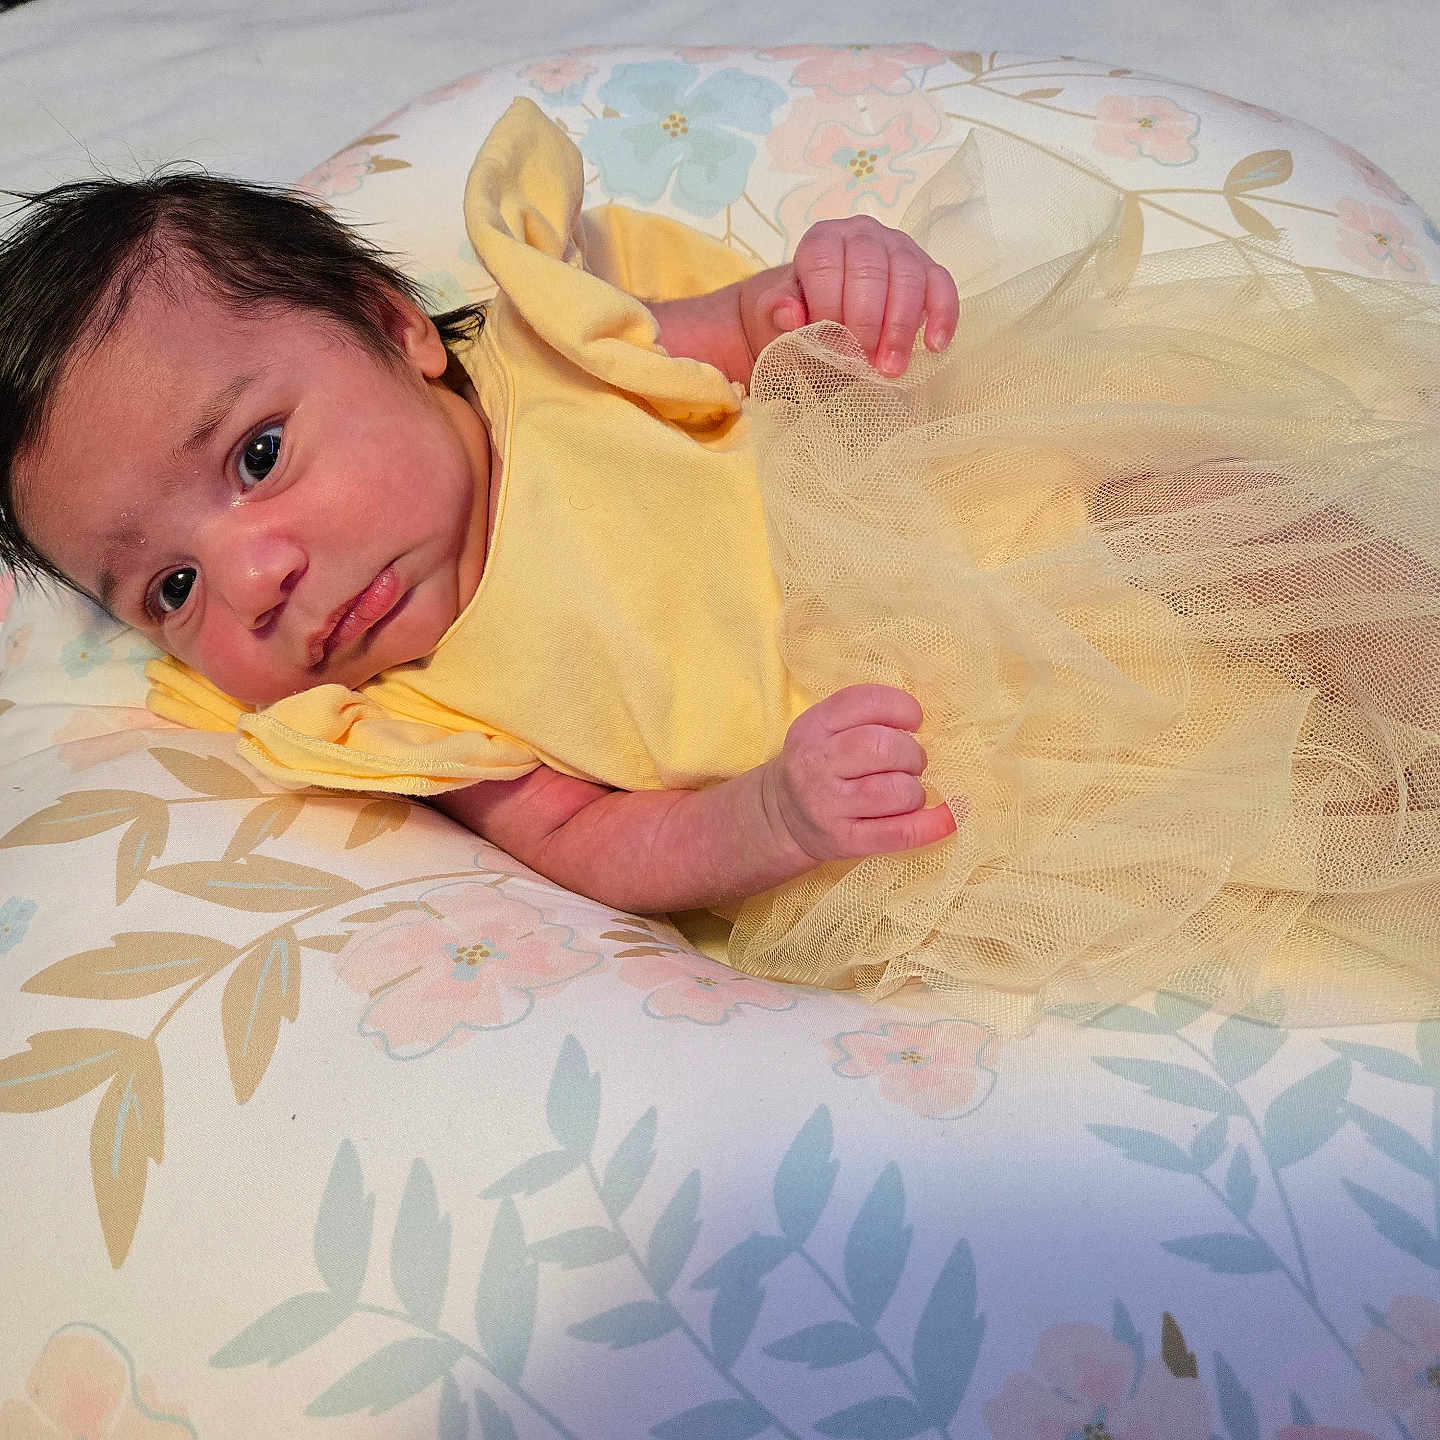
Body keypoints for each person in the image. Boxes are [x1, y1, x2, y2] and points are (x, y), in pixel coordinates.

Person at [4, 97, 1440, 1030]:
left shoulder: (560, 354)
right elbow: (594, 843)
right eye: (169, 589)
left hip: (995, 525)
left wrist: (843, 278)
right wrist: (768, 818)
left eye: (256, 456)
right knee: (1271, 817)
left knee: (1222, 512)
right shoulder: (405, 716)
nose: (254, 575)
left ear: (394, 329)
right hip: (933, 766)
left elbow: (775, 330)